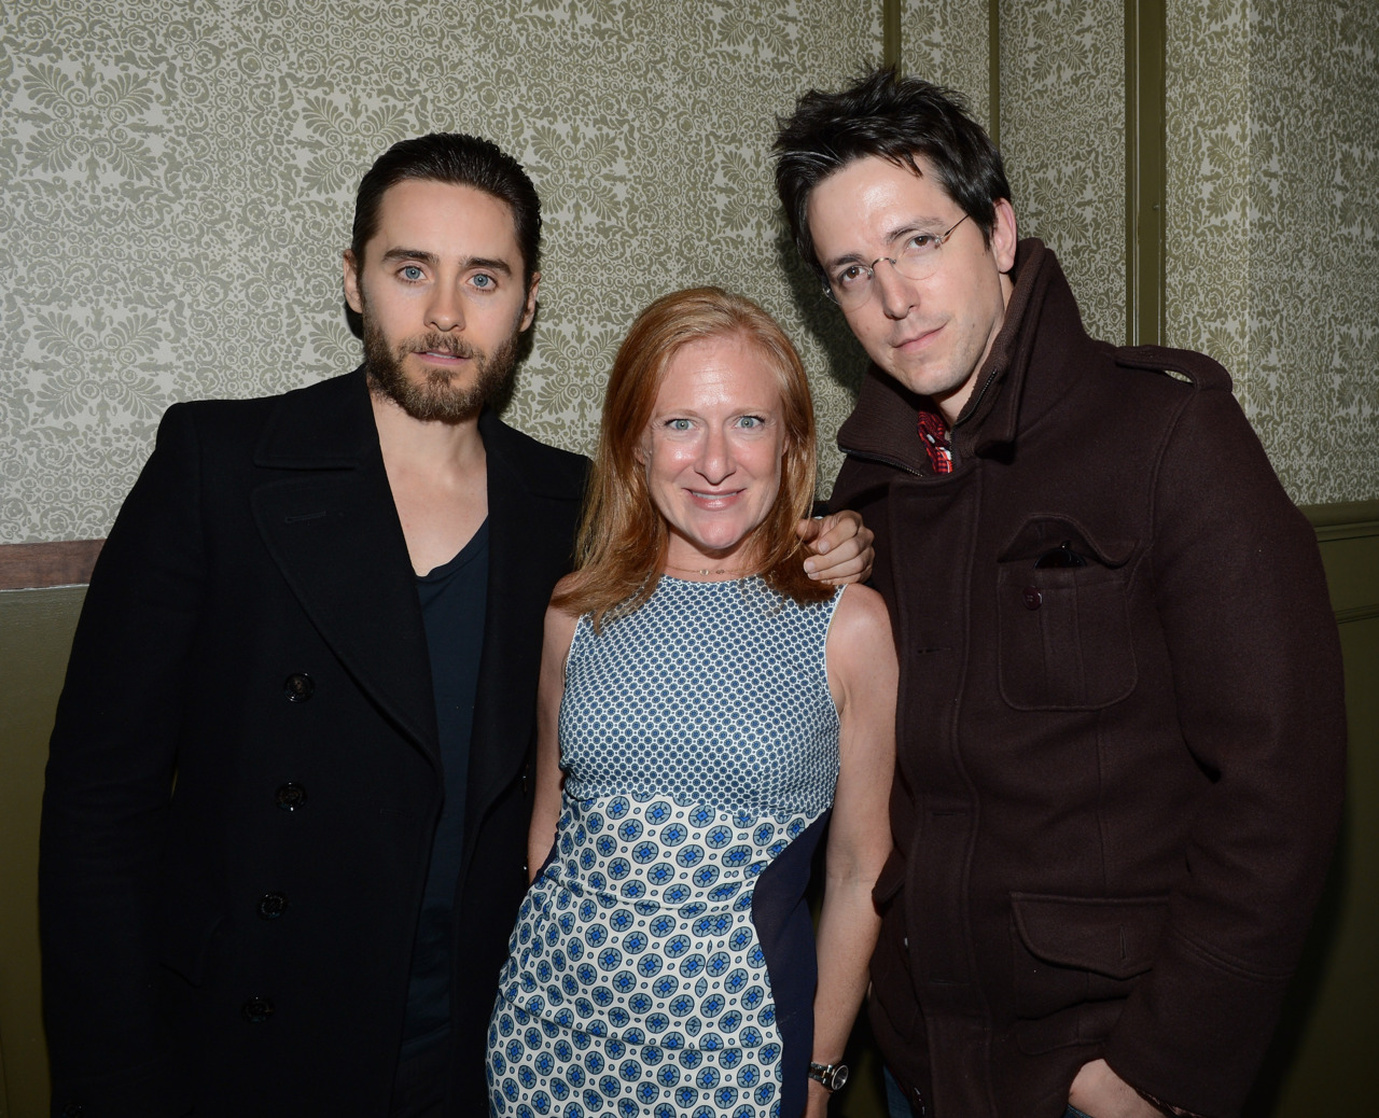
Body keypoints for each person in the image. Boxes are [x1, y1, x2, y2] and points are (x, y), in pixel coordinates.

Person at [38, 135, 872, 1118]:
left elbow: (719, 545)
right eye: (409, 270)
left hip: (492, 1041)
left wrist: (831, 535)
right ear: (353, 281)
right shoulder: (218, 464)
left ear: (527, 303)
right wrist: (110, 1080)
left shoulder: (570, 507)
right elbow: (99, 807)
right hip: (253, 1039)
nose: (443, 313)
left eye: (482, 277)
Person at [772, 69, 1346, 1118]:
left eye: (917, 241)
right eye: (851, 271)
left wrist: (1157, 1070)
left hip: (1097, 1069)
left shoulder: (1169, 436)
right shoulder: (869, 487)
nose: (893, 299)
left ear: (996, 229)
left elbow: (1281, 782)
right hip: (916, 1055)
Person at [485, 287, 897, 1118]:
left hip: (737, 1049)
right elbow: (548, 826)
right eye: (679, 423)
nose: (715, 462)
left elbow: (860, 871)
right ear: (634, 442)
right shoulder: (574, 611)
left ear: (790, 441)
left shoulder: (847, 624)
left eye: (747, 421)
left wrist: (819, 1070)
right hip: (546, 1032)